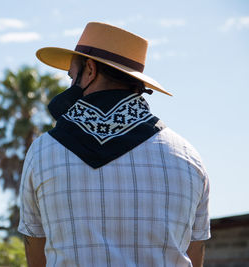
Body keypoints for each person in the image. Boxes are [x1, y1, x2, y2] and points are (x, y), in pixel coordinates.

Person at [18, 22, 210, 266]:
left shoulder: (43, 152)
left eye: (71, 76)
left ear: (89, 69)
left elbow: (38, 256)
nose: (70, 84)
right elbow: (193, 253)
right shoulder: (189, 158)